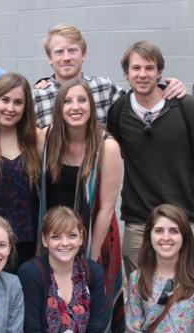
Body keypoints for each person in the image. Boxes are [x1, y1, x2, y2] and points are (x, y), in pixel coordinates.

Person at [107, 40, 194, 278]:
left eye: (149, 68)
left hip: (182, 220)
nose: (142, 74)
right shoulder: (119, 111)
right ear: (126, 73)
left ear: (160, 71)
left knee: (189, 293)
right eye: (136, 68)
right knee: (141, 296)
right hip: (138, 222)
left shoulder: (186, 107)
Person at [37, 79, 123, 332]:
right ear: (59, 108)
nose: (75, 107)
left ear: (92, 106)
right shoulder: (47, 137)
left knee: (92, 309)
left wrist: (90, 258)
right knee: (52, 307)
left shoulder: (107, 146)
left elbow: (107, 208)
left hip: (95, 235)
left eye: (82, 100)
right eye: (68, 101)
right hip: (53, 238)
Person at [33, 23, 186, 128]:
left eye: (72, 50)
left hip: (101, 174)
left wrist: (165, 88)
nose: (66, 57)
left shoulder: (103, 88)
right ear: (49, 58)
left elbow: (140, 98)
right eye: (59, 52)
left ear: (84, 54)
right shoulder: (37, 97)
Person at [126, 204, 194, 332]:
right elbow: (133, 328)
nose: (166, 238)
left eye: (174, 231)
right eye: (159, 230)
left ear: (184, 237)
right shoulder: (137, 278)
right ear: (150, 236)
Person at [0, 72, 40, 268]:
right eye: (4, 100)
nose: (10, 108)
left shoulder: (36, 139)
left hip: (27, 244)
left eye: (18, 102)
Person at [18, 206, 106, 332]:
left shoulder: (93, 271)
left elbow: (96, 325)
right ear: (44, 240)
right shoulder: (31, 272)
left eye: (72, 236)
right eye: (56, 237)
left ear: (81, 237)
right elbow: (31, 327)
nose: (65, 243)